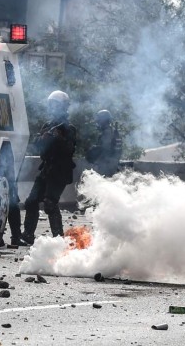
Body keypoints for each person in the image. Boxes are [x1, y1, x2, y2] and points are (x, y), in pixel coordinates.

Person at [19, 91, 77, 244]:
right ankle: (28, 234)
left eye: (56, 105)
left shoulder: (69, 128)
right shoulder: (48, 126)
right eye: (51, 105)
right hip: (46, 169)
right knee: (31, 201)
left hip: (60, 172)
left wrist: (59, 139)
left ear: (63, 107)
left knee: (50, 203)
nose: (53, 108)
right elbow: (37, 145)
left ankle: (58, 238)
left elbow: (69, 150)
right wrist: (43, 138)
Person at [86, 109, 122, 176]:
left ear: (104, 120)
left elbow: (105, 148)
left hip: (107, 164)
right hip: (112, 163)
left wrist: (93, 149)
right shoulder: (112, 131)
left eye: (99, 120)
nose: (98, 122)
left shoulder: (107, 132)